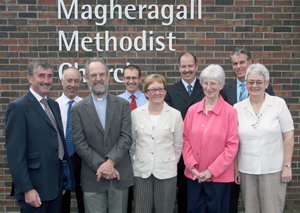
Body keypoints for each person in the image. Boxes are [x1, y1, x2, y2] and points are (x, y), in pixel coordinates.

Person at [5, 61, 73, 213]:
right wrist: (27, 189)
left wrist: (62, 182)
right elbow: (15, 155)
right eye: (41, 75)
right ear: (30, 78)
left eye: (50, 76)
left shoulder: (53, 105)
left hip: (55, 188)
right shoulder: (18, 108)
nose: (46, 80)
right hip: (34, 190)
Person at [71, 58, 134, 213]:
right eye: (93, 75)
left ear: (107, 76)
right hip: (94, 177)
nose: (98, 79)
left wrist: (110, 162)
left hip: (118, 175)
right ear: (86, 78)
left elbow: (126, 137)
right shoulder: (77, 109)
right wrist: (102, 165)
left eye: (101, 74)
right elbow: (80, 143)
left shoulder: (122, 105)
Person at [234, 63, 294, 213]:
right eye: (251, 82)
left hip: (273, 169)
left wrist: (287, 166)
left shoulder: (278, 104)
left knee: (272, 209)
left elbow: (289, 135)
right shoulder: (237, 108)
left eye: (259, 82)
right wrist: (236, 168)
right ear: (246, 84)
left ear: (266, 84)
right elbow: (234, 141)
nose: (255, 86)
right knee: (251, 210)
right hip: (247, 170)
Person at [222, 48, 275, 213]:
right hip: (232, 153)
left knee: (258, 200)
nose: (238, 66)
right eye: (235, 63)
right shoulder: (226, 89)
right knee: (232, 196)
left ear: (250, 63)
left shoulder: (265, 88)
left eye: (241, 62)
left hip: (257, 155)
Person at [183, 64, 239, 213]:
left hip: (219, 178)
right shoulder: (192, 110)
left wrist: (211, 171)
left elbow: (232, 146)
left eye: (213, 83)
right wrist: (192, 167)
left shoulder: (230, 112)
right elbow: (185, 140)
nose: (208, 87)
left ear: (221, 85)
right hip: (194, 176)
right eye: (205, 83)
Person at [131, 74, 183, 213]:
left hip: (166, 172)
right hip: (142, 172)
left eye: (160, 89)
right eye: (152, 89)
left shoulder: (175, 115)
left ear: (165, 91)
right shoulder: (136, 114)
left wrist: (169, 162)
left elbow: (178, 145)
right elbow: (132, 144)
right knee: (141, 209)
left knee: (165, 209)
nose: (157, 93)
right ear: (146, 93)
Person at [165, 52, 205, 213]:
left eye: (190, 66)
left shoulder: (206, 88)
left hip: (205, 150)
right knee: (183, 193)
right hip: (181, 153)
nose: (187, 70)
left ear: (196, 66)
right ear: (179, 68)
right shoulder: (171, 91)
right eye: (183, 66)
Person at [56, 67, 85, 213]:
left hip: (83, 162)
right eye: (69, 80)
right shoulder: (53, 106)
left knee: (84, 204)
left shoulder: (86, 106)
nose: (72, 84)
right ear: (62, 82)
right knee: (62, 205)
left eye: (76, 81)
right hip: (61, 161)